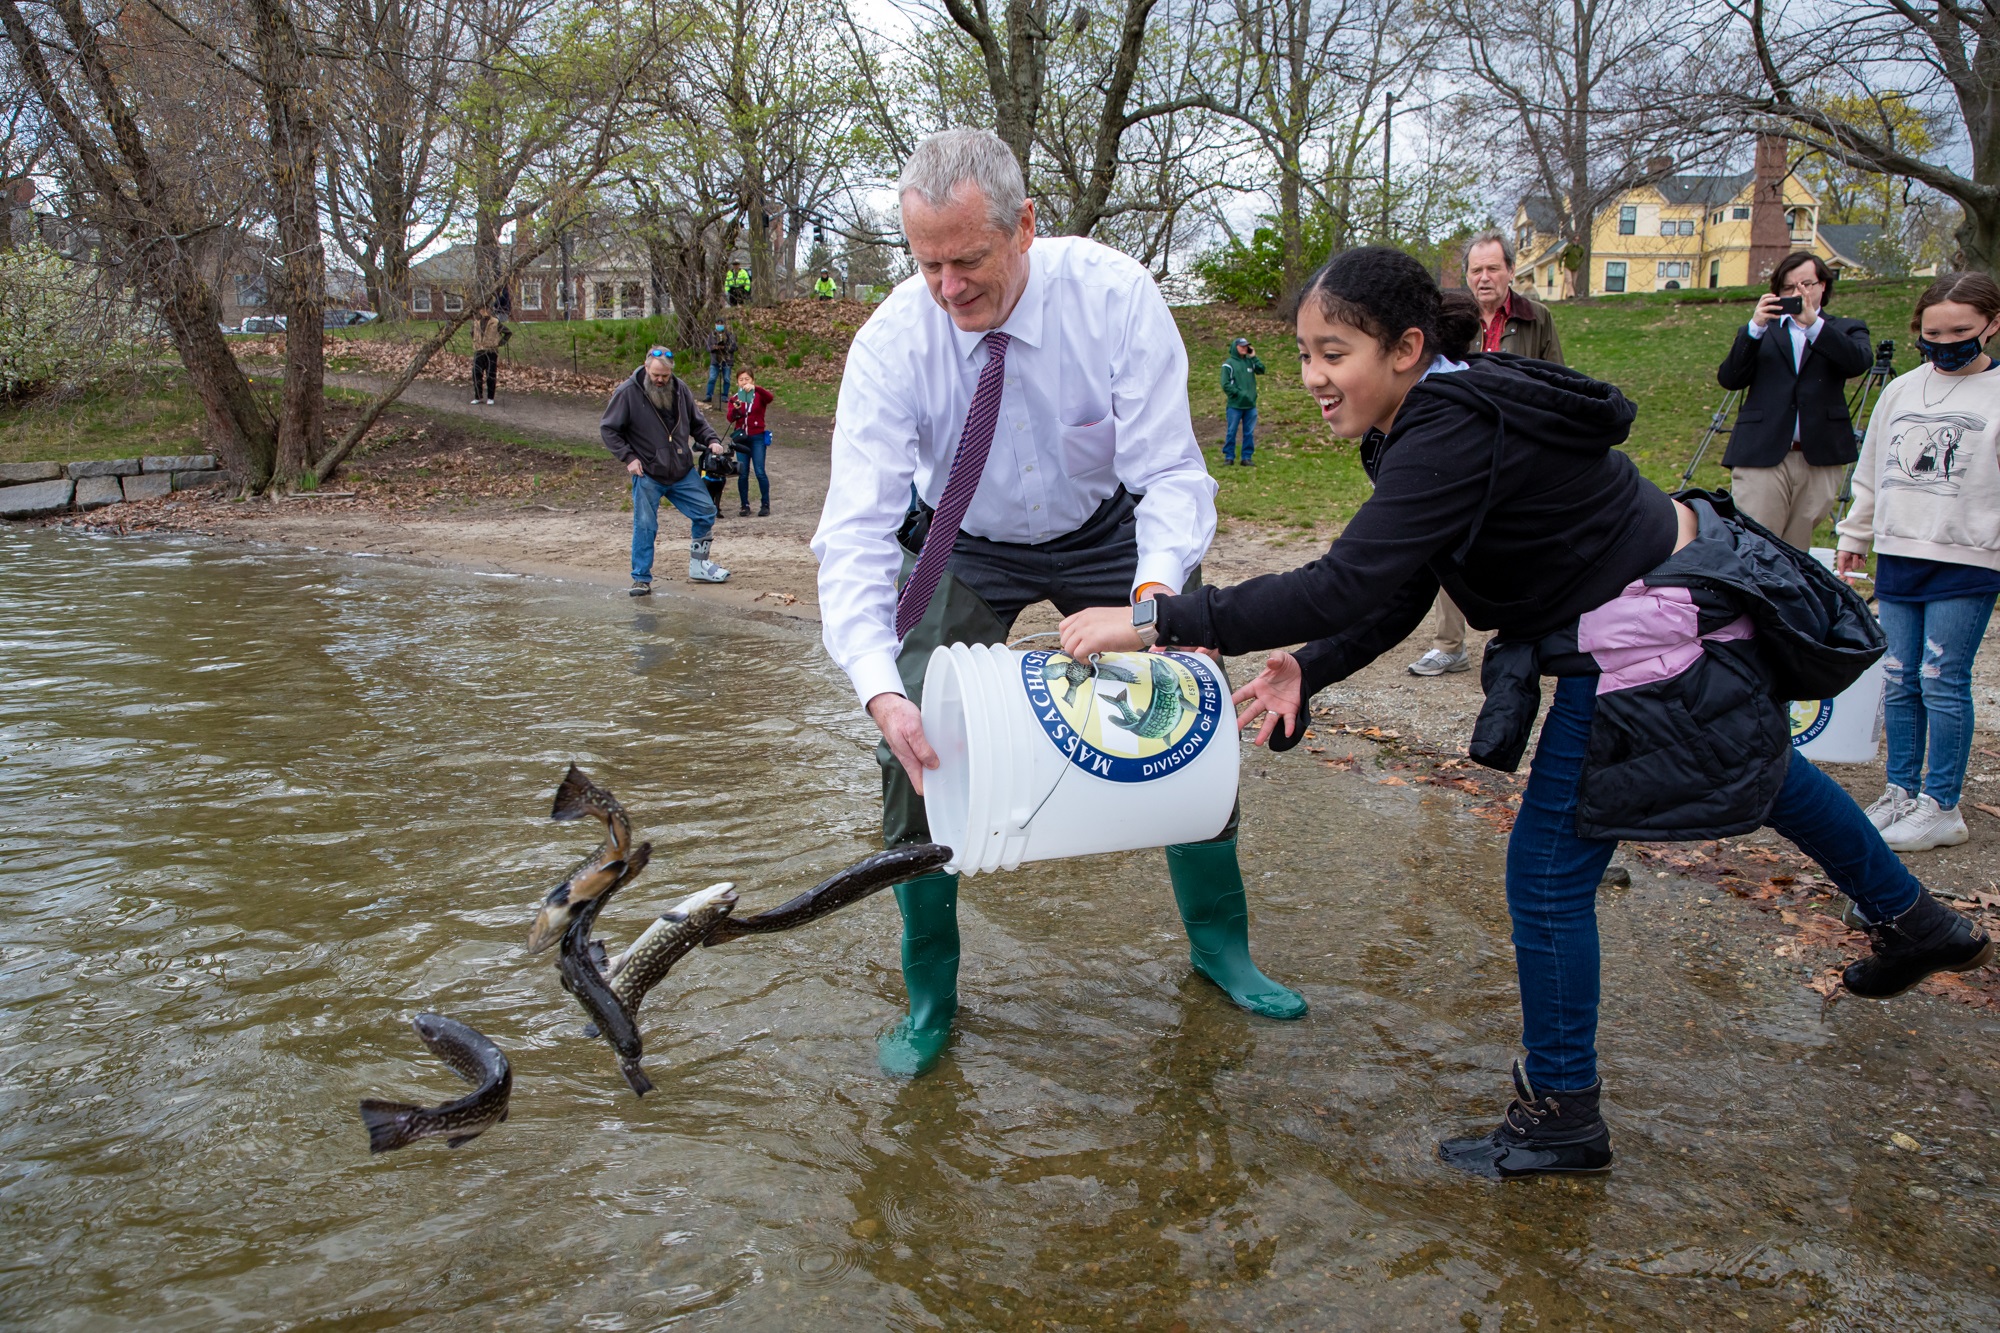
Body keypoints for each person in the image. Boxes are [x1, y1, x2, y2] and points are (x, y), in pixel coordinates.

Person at [1058, 245, 1991, 1180]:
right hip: (1670, 597)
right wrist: (1312, 666)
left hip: (1646, 624)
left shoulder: (1450, 422)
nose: (1311, 378)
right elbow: (1402, 581)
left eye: (1332, 353)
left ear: (1407, 347)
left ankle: (1562, 1116)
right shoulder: (1440, 407)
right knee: (1763, 766)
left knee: (1545, 875)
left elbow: (1341, 580)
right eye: (1303, 354)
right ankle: (1914, 921)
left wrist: (1159, 618)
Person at [811, 127, 1305, 1080]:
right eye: (928, 265)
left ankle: (1219, 945)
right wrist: (880, 687)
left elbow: (1170, 473)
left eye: (970, 261)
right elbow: (856, 531)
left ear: (1025, 224)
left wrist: (1158, 606)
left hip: (1111, 531)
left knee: (1190, 708)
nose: (949, 289)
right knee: (906, 744)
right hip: (963, 538)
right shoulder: (891, 343)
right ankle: (931, 991)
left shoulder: (1114, 298)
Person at [1836, 272, 2000, 853]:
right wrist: (1856, 533)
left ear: (1992, 324)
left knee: (1941, 679)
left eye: (1961, 331)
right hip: (1900, 553)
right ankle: (1901, 790)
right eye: (1932, 332)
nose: (1945, 341)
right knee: (1900, 678)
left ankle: (1941, 804)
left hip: (1968, 558)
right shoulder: (1901, 390)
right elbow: (1872, 469)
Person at [1409, 230, 1564, 678]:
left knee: (1526, 544)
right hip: (1463, 453)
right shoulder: (1448, 320)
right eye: (1476, 269)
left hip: (1519, 452)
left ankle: (1531, 637)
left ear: (1511, 271)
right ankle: (1448, 644)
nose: (1484, 278)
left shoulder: (1538, 319)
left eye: (1493, 268)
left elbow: (1555, 382)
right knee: (1449, 544)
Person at [1716, 251, 1872, 549]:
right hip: (1762, 453)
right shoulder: (1760, 332)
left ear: (1823, 285)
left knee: (1797, 549)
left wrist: (1813, 324)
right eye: (1788, 288)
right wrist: (1755, 328)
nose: (1798, 293)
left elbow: (1857, 363)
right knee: (1756, 543)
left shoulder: (1846, 329)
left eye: (1806, 284)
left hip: (1818, 455)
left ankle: (1791, 596)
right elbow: (1730, 379)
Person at [600, 347, 732, 594]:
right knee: (645, 525)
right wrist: (629, 457)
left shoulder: (680, 389)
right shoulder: (627, 392)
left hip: (681, 470)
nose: (660, 380)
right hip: (647, 473)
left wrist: (712, 440)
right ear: (646, 366)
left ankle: (699, 566)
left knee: (705, 511)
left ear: (671, 372)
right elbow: (608, 429)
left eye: (665, 376)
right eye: (655, 375)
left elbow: (697, 422)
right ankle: (641, 578)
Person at [726, 370, 774, 516]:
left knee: (760, 471)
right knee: (743, 472)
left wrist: (756, 388)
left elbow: (770, 397)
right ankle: (744, 505)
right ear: (737, 382)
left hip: (757, 437)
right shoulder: (735, 398)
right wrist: (736, 410)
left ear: (752, 380)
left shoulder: (759, 395)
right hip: (742, 438)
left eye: (747, 379)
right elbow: (730, 418)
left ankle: (765, 504)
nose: (744, 382)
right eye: (741, 379)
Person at [1220, 336, 1264, 466]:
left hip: (1250, 405)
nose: (1245, 348)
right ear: (1235, 347)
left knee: (1249, 433)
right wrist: (1238, 394)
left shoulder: (1250, 362)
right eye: (1242, 346)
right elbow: (1225, 384)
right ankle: (1229, 457)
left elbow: (1262, 370)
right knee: (1231, 431)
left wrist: (1254, 357)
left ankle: (1246, 457)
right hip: (1235, 405)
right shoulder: (1228, 364)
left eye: (1246, 346)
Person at [470, 305, 508, 405]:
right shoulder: (476, 322)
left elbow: (508, 332)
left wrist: (500, 343)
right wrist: (476, 342)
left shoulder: (495, 322)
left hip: (491, 351)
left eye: (487, 309)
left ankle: (491, 397)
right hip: (479, 351)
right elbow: (472, 333)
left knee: (491, 374)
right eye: (482, 309)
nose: (484, 311)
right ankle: (478, 396)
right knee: (476, 374)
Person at [705, 322, 737, 405]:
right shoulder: (711, 335)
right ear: (715, 324)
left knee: (726, 379)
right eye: (718, 323)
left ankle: (725, 396)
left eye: (721, 323)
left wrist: (724, 347)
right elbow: (707, 347)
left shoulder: (730, 335)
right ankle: (709, 396)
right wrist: (714, 347)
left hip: (727, 360)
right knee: (712, 378)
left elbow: (734, 347)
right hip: (715, 360)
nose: (719, 325)